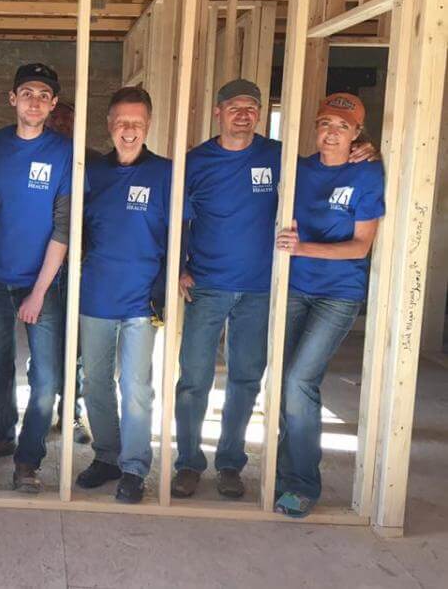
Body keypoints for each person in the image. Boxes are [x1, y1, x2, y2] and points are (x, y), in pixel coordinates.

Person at [173, 79, 377, 500]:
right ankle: (189, 462)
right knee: (194, 381)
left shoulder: (281, 157)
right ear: (218, 113)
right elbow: (177, 219)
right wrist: (177, 267)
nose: (243, 115)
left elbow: (333, 165)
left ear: (260, 115)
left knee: (246, 380)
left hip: (262, 289)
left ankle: (230, 463)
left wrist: (368, 152)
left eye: (252, 108)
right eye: (234, 107)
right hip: (207, 285)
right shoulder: (196, 161)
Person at [274, 93, 383, 517]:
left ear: (357, 133)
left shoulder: (368, 173)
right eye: (324, 123)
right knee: (285, 384)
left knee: (301, 381)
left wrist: (303, 248)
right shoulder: (298, 169)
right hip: (295, 289)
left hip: (338, 295)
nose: (330, 133)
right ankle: (284, 477)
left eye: (341, 126)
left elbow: (360, 246)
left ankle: (302, 485)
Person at [75, 86, 183, 504]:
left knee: (136, 386)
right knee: (95, 381)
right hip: (96, 294)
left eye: (137, 122)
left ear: (149, 125)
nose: (129, 129)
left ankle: (135, 467)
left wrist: (172, 278)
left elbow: (181, 232)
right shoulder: (93, 172)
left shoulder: (166, 173)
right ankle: (107, 456)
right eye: (121, 121)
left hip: (142, 299)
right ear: (108, 124)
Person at [0, 62, 73, 494]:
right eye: (27, 93)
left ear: (53, 105)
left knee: (47, 376)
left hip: (43, 280)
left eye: (44, 95)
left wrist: (38, 292)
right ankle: (1, 433)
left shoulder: (65, 151)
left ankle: (28, 459)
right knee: (0, 363)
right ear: (13, 99)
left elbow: (64, 227)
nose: (35, 101)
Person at [45, 100, 91, 445]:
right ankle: (42, 408)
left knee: (74, 345)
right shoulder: (38, 154)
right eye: (56, 116)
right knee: (45, 343)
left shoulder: (90, 160)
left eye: (67, 118)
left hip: (79, 265)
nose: (61, 122)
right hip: (42, 265)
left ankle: (71, 412)